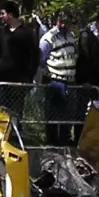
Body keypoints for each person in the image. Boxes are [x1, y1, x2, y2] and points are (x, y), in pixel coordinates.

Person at [38, 10, 78, 145]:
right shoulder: (48, 38)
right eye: (61, 21)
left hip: (70, 81)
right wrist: (49, 75)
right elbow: (41, 59)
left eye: (66, 22)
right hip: (55, 81)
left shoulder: (71, 36)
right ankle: (52, 141)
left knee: (68, 114)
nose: (63, 25)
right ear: (57, 21)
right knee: (53, 113)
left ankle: (64, 140)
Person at [0, 1, 40, 85]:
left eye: (3, 14)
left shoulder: (28, 33)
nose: (0, 16)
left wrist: (30, 75)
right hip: (1, 80)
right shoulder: (0, 33)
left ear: (10, 14)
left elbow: (35, 54)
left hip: (21, 80)